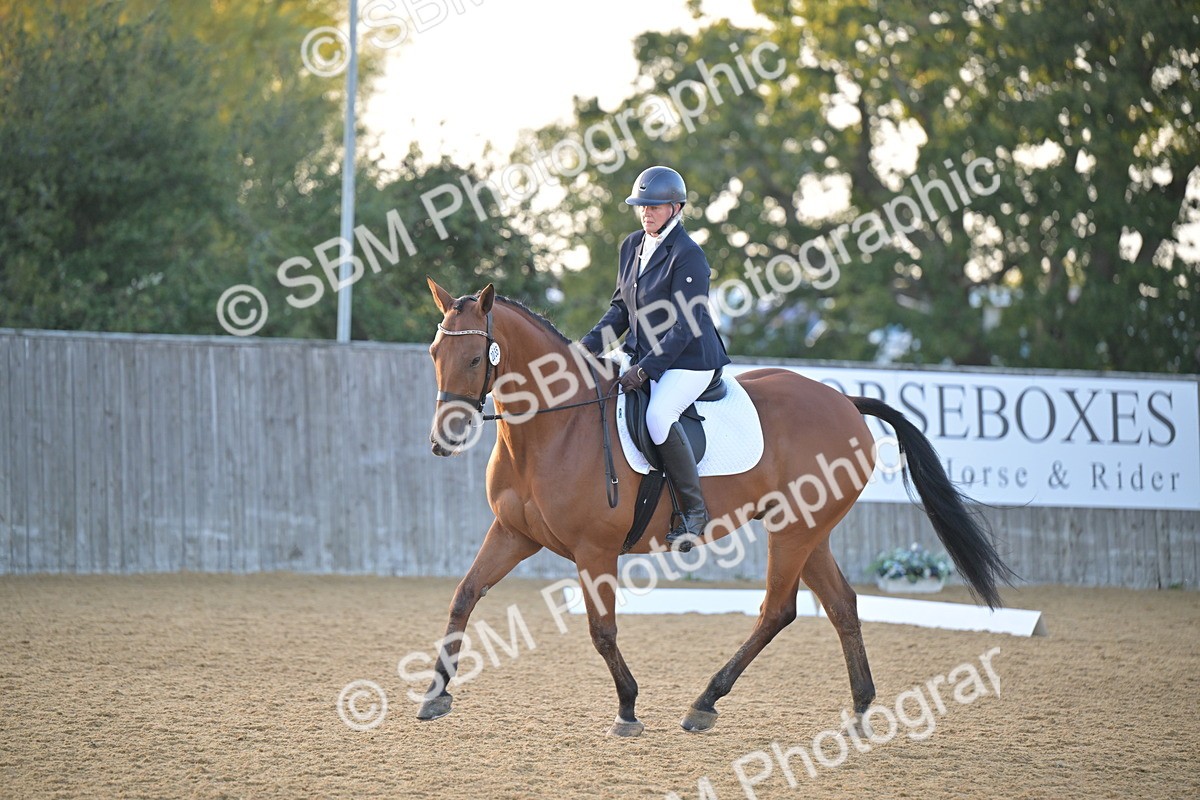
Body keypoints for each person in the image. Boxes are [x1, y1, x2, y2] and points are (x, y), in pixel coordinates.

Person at [580, 165, 730, 547]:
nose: (647, 212)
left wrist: (645, 370)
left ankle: (694, 512)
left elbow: (686, 324)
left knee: (658, 415)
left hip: (690, 360)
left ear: (676, 208)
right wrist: (583, 351)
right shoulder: (631, 245)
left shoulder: (689, 255)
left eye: (656, 206)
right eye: (642, 206)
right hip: (646, 355)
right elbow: (620, 311)